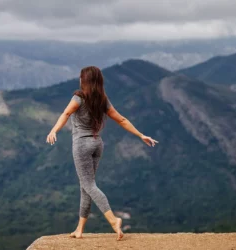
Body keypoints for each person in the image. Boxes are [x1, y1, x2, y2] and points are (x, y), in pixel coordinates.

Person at [46, 66, 159, 241]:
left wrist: (54, 130)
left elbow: (66, 113)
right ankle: (79, 229)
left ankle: (114, 221)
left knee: (89, 185)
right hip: (97, 144)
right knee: (86, 187)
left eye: (80, 77)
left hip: (82, 144)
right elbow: (121, 119)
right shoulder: (102, 100)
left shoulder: (79, 98)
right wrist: (141, 135)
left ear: (85, 80)